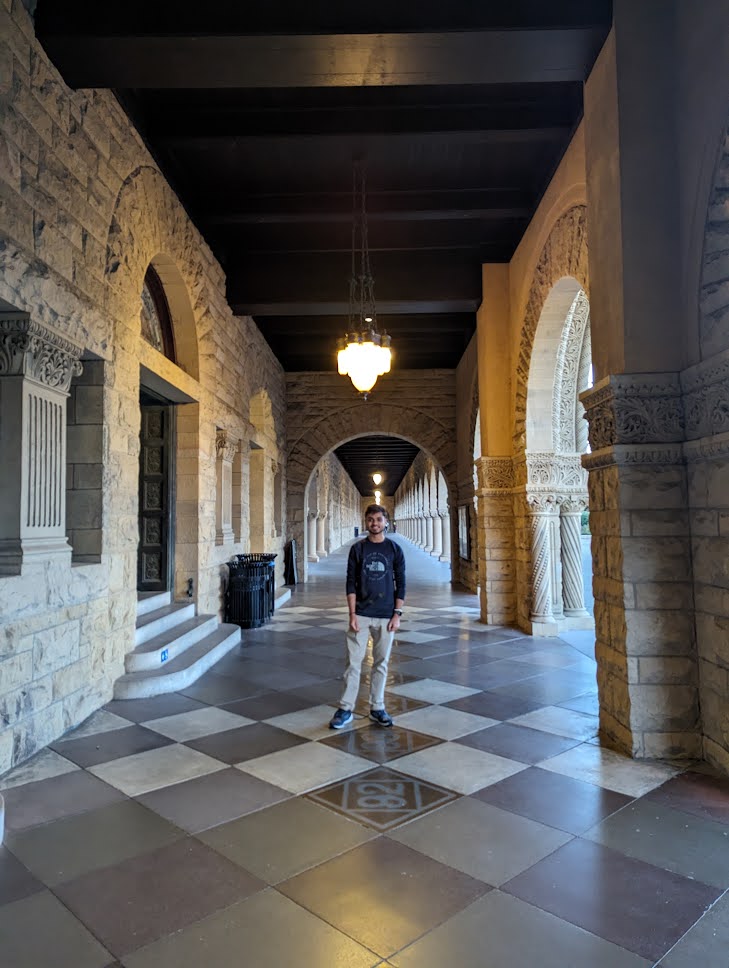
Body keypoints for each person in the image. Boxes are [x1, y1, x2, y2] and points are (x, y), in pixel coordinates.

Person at [329, 504, 406, 729]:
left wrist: (397, 614)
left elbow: (401, 583)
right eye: (371, 519)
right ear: (366, 522)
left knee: (381, 664)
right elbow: (350, 582)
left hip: (386, 615)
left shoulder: (394, 549)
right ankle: (345, 708)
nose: (375, 523)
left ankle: (377, 707)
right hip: (361, 613)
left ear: (386, 522)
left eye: (379, 519)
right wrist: (352, 613)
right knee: (353, 663)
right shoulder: (358, 549)